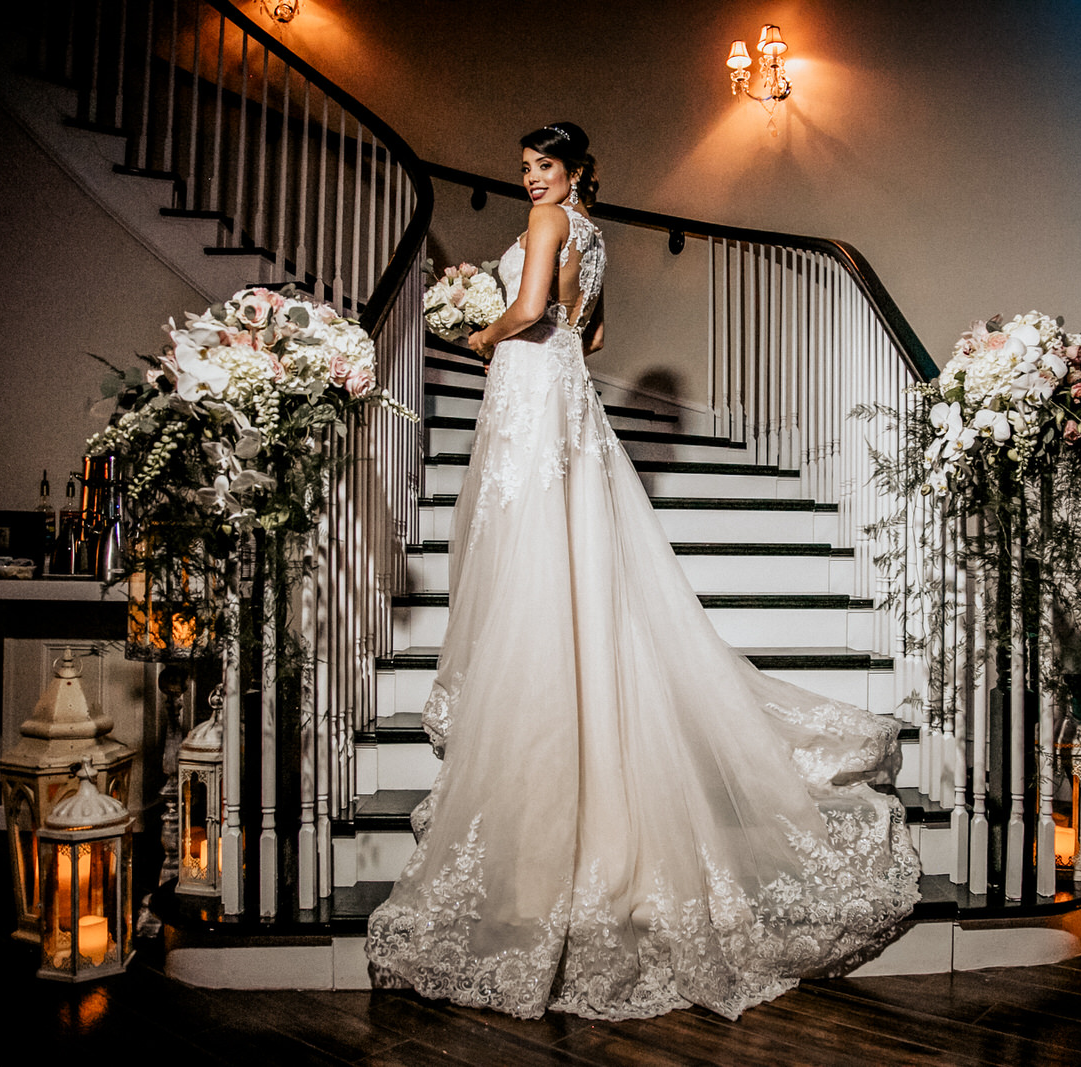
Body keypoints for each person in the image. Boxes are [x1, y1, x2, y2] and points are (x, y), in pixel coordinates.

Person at [365, 123, 919, 1021]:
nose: (530, 181)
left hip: (528, 387)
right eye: (524, 169)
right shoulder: (596, 233)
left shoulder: (547, 228)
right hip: (563, 393)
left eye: (543, 168)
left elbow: (538, 314)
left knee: (532, 557)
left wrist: (479, 331)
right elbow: (592, 332)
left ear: (576, 169)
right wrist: (522, 332)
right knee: (574, 559)